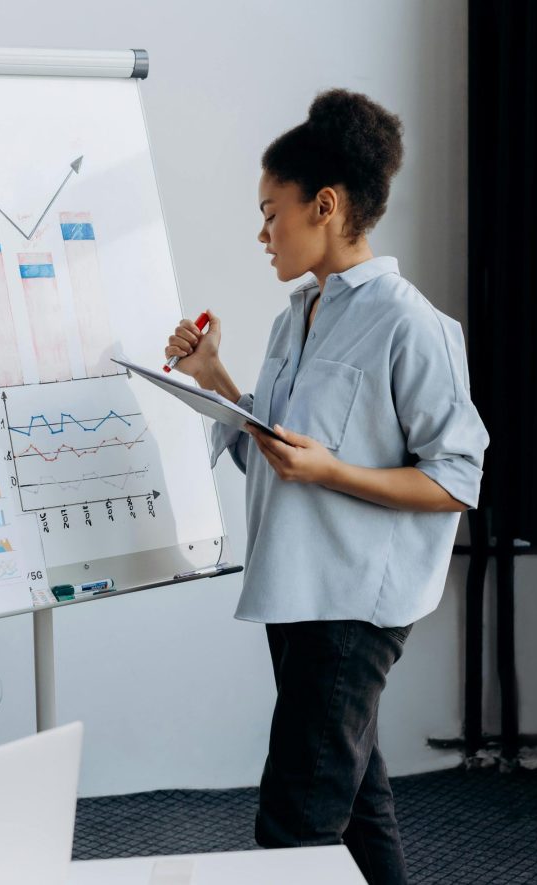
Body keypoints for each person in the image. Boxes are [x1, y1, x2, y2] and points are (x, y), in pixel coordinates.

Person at [164, 88, 489, 885]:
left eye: (272, 210)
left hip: (353, 603)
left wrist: (330, 469)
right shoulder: (293, 317)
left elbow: (457, 479)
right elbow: (276, 460)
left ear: (328, 205)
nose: (263, 231)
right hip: (295, 589)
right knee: (357, 802)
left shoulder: (413, 326)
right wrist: (215, 381)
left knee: (298, 818)